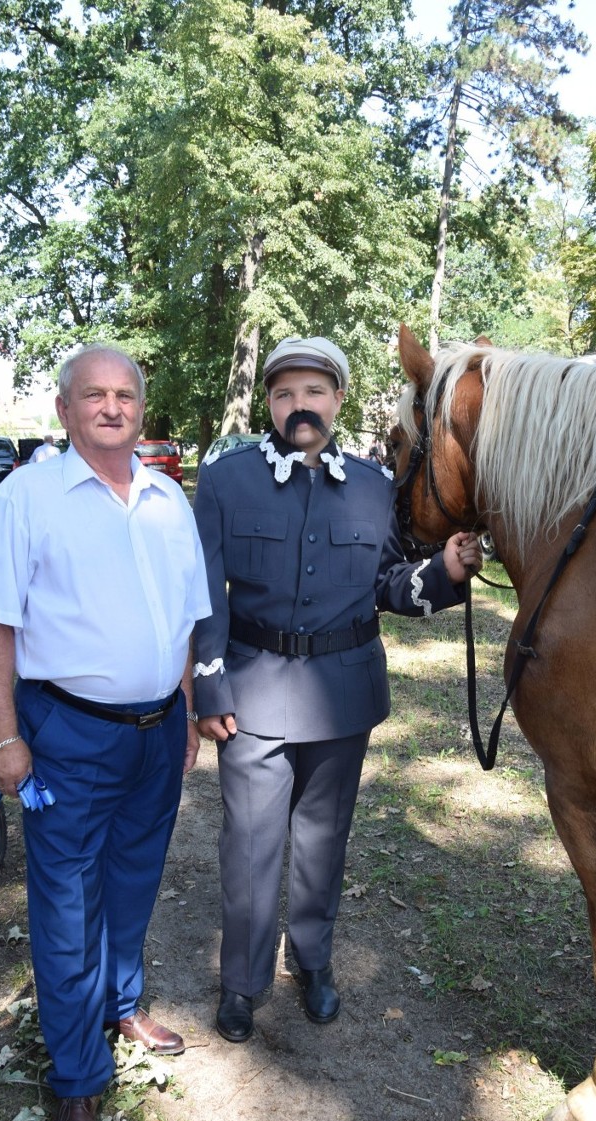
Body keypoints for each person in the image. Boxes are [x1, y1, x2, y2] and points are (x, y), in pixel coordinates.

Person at [0, 344, 212, 1121]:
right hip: (65, 734)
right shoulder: (25, 497)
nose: (111, 406)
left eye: (125, 394)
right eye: (93, 395)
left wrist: (180, 709)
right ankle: (75, 1073)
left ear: (141, 410)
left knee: (135, 878)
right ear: (66, 411)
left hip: (154, 732)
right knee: (67, 902)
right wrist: (3, 737)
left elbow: (183, 618)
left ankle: (122, 1003)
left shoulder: (169, 499)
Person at [192, 335, 480, 1044]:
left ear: (338, 399)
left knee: (323, 839)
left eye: (313, 393)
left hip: (341, 694)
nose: (300, 407)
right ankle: (243, 981)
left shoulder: (374, 487)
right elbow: (203, 594)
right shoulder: (227, 482)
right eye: (285, 394)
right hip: (253, 691)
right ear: (268, 403)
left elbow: (386, 586)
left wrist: (441, 571)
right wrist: (208, 684)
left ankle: (312, 962)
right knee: (250, 845)